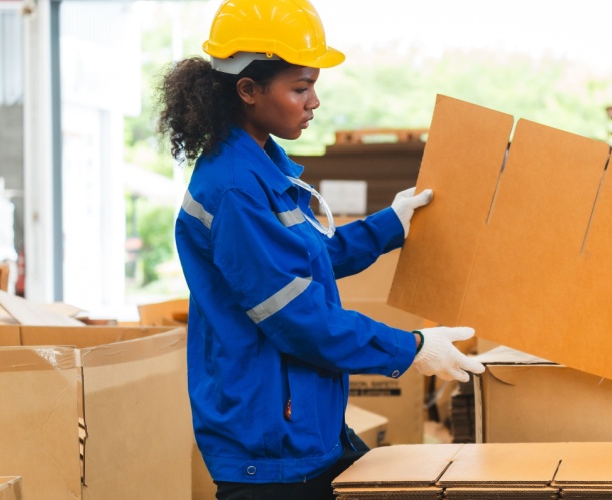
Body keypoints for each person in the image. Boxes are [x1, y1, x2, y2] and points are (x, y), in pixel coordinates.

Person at [156, 1, 485, 498]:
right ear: (248, 90)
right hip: (271, 451)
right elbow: (299, 319)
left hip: (298, 427)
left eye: (314, 86)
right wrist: (412, 349)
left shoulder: (262, 170)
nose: (313, 102)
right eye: (299, 87)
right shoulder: (236, 191)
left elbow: (313, 257)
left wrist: (388, 225)